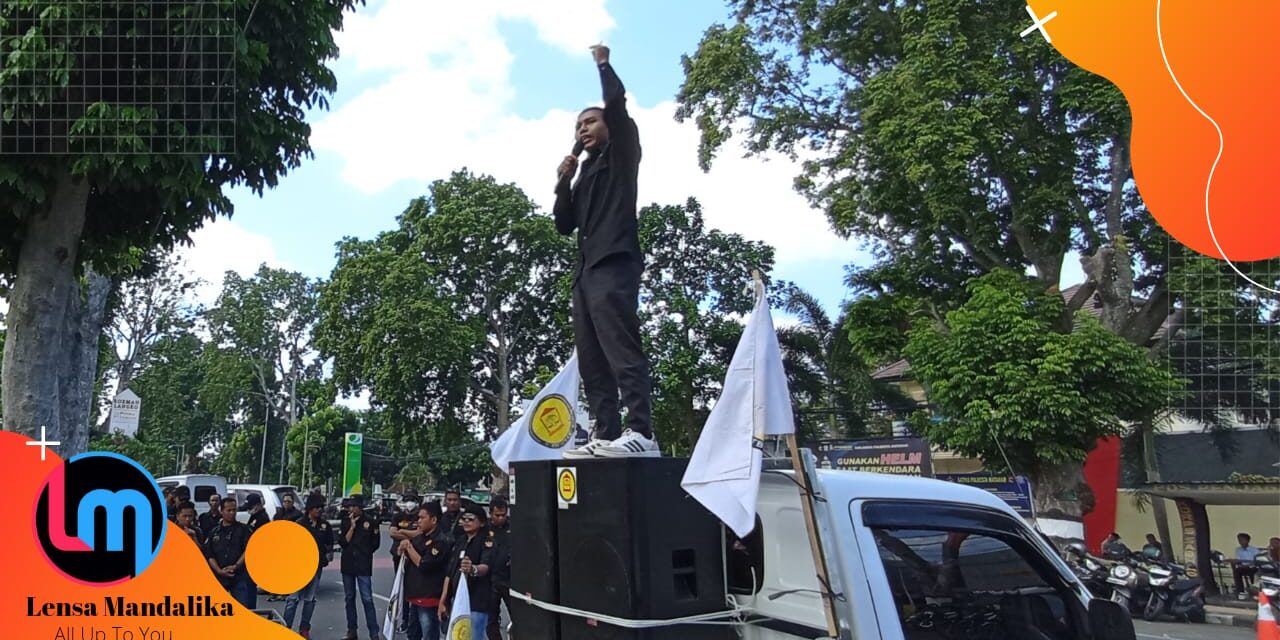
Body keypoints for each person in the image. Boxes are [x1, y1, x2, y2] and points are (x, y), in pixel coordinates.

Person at [553, 44, 657, 460]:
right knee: (593, 359)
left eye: (590, 121)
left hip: (614, 264)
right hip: (584, 274)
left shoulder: (622, 153)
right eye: (578, 125)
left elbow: (616, 105)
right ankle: (606, 431)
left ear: (609, 127)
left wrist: (603, 64)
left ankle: (641, 432)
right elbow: (564, 223)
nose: (583, 129)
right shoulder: (585, 175)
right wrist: (563, 180)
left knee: (620, 349)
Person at [284, 493, 334, 639]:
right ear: (310, 509)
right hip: (299, 567)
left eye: (321, 507)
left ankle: (304, 628)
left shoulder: (325, 525)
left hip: (316, 566)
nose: (319, 510)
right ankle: (286, 627)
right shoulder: (300, 523)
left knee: (310, 599)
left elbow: (329, 543)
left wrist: (327, 555)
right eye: (316, 507)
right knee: (293, 599)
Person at [440, 504, 495, 633]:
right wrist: (443, 600)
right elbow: (450, 571)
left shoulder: (487, 541)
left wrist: (473, 569)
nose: (466, 522)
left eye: (471, 519)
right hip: (457, 600)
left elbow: (485, 566)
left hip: (476, 602)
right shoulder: (460, 541)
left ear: (481, 522)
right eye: (464, 519)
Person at [402, 503, 451, 640]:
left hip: (429, 596)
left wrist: (409, 547)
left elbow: (423, 564)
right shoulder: (420, 537)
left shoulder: (440, 541)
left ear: (433, 520)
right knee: (413, 634)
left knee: (428, 633)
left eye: (422, 518)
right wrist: (403, 547)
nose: (418, 521)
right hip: (415, 595)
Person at [339, 495, 382, 640]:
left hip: (363, 565)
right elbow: (343, 543)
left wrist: (365, 553)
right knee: (349, 598)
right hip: (348, 565)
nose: (351, 509)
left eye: (354, 506)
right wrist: (352, 526)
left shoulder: (370, 522)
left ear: (360, 507)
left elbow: (375, 544)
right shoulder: (345, 521)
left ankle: (374, 633)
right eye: (350, 506)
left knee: (367, 599)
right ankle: (352, 630)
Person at [205, 497, 254, 609]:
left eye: (234, 510)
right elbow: (209, 554)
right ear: (221, 511)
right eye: (229, 510)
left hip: (238, 575)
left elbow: (248, 550)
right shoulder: (214, 532)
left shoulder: (244, 529)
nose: (232, 513)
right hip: (219, 576)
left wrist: (236, 566)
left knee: (242, 608)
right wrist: (218, 570)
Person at [486, 497, 512, 640]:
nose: (501, 518)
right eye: (497, 515)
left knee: (517, 615)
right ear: (491, 514)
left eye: (503, 515)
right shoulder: (485, 530)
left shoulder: (513, 527)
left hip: (508, 579)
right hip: (490, 580)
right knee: (491, 619)